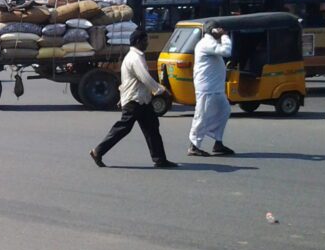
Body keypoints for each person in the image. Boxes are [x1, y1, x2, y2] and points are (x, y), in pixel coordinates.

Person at [90, 29, 177, 169]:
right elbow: (145, 78)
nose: (147, 43)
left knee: (152, 128)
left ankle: (160, 159)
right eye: (145, 40)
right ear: (138, 41)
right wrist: (161, 91)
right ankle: (98, 151)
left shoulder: (134, 56)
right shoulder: (135, 58)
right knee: (123, 128)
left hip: (142, 99)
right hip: (135, 100)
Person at [188, 25, 234, 156]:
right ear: (214, 31)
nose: (222, 31)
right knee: (202, 115)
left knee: (224, 111)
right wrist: (225, 36)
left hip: (216, 87)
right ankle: (194, 145)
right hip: (206, 88)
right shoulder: (206, 43)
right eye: (220, 29)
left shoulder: (212, 42)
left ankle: (218, 142)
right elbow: (226, 51)